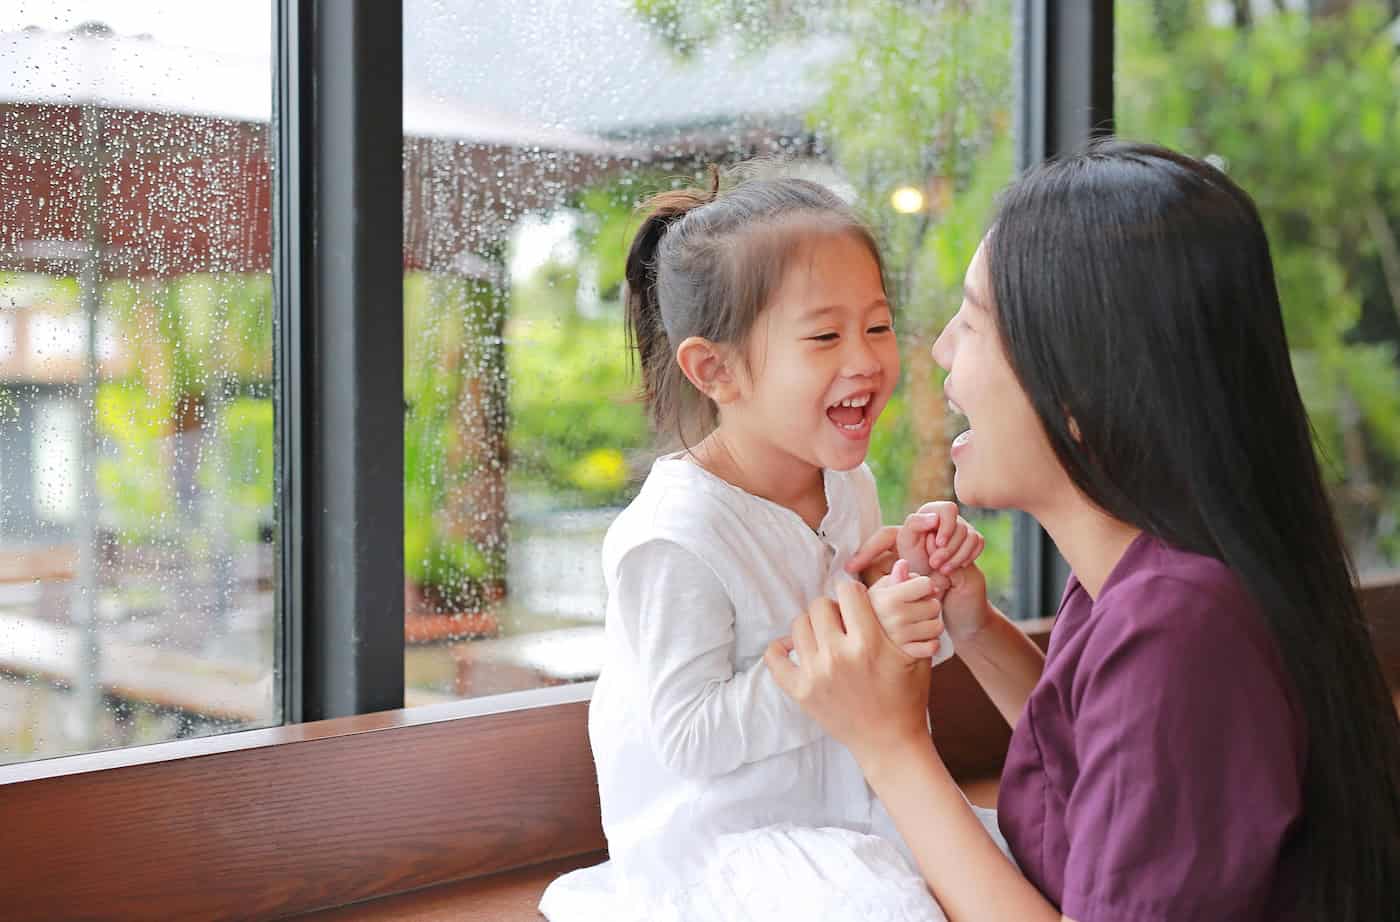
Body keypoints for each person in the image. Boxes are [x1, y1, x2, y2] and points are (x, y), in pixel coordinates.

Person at [767, 140, 1400, 922]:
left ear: (1080, 385)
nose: (940, 350)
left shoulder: (1182, 626)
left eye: (974, 321)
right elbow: (1115, 769)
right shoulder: (1147, 574)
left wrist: (888, 745)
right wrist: (976, 627)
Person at [540, 168, 998, 922]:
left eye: (877, 326)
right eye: (824, 336)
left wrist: (916, 590)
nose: (865, 360)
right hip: (727, 847)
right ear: (715, 370)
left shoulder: (846, 482)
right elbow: (690, 738)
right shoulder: (675, 535)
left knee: (1026, 860)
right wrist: (857, 643)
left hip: (852, 809)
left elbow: (876, 658)